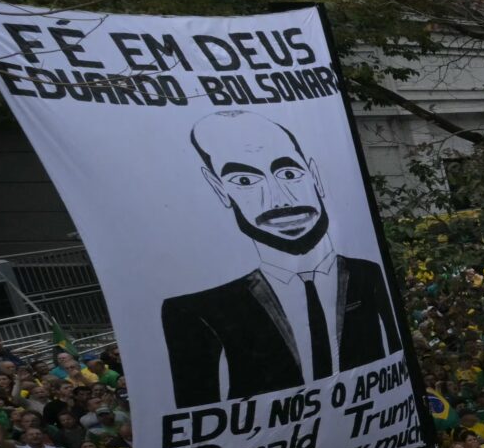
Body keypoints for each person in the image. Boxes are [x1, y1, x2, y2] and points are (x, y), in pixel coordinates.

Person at [160, 109, 403, 404]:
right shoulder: (196, 312)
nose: (279, 198)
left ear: (313, 174)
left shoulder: (369, 275)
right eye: (245, 180)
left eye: (288, 174)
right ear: (219, 189)